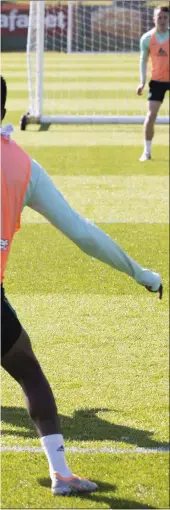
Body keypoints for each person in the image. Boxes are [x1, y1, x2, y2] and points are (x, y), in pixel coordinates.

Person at [1, 75, 163, 496]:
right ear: (3, 110)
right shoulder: (23, 166)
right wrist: (140, 273)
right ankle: (61, 475)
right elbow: (84, 234)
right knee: (29, 373)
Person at [137, 5, 169, 162]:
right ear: (154, 19)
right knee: (150, 116)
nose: (162, 20)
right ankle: (147, 152)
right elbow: (143, 60)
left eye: (165, 17)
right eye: (159, 17)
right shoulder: (147, 38)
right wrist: (142, 82)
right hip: (157, 81)